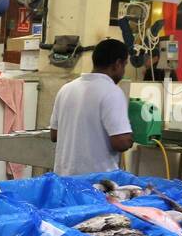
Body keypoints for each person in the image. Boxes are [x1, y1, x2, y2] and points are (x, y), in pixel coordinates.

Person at [49, 38, 135, 175]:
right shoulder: (112, 91)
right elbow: (120, 142)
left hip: (63, 178)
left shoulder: (66, 89)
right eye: (124, 66)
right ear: (117, 64)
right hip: (96, 181)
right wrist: (130, 138)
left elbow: (54, 135)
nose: (123, 72)